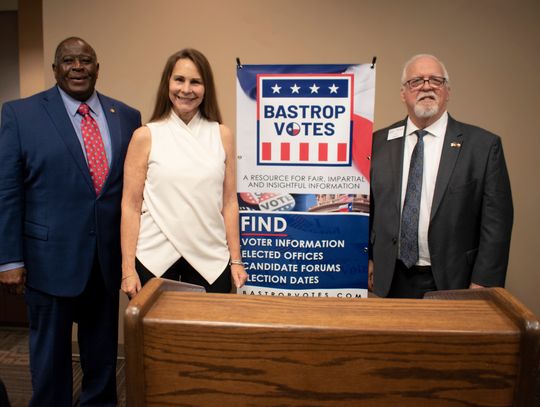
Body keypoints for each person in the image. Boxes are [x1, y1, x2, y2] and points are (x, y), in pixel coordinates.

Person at [0, 37, 141, 406]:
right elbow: (8, 191)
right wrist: (9, 259)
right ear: (55, 69)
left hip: (105, 263)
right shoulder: (20, 114)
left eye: (86, 60)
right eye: (68, 60)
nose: (77, 66)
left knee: (103, 358)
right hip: (48, 261)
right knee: (49, 361)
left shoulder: (127, 116)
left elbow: (134, 194)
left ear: (97, 67)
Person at [369, 54, 513, 298]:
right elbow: (368, 207)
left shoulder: (483, 146)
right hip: (389, 277)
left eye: (436, 80)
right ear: (403, 93)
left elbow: (497, 223)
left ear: (448, 91)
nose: (426, 86)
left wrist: (484, 283)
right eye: (416, 81)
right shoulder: (378, 143)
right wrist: (368, 259)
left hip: (453, 279)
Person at [120, 48, 248, 297]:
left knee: (206, 334)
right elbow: (130, 205)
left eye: (195, 82)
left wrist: (236, 259)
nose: (186, 89)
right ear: (167, 83)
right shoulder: (145, 136)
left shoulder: (222, 135)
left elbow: (230, 202)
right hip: (154, 256)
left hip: (210, 256)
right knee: (156, 336)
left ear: (205, 87)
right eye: (179, 79)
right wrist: (127, 269)